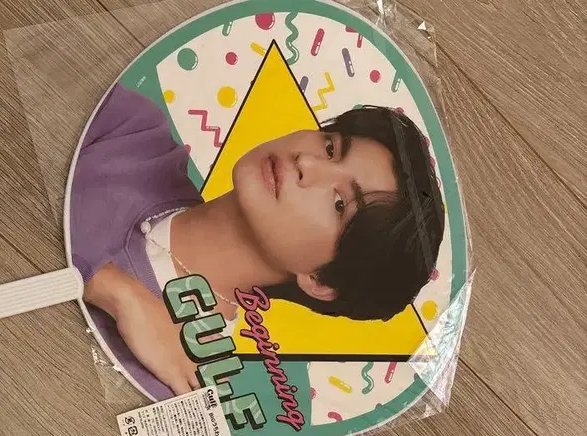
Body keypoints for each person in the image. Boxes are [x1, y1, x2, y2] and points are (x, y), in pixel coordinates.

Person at [70, 84, 445, 396]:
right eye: (331, 148)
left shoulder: (183, 377)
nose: (307, 163)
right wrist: (114, 290)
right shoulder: (132, 130)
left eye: (339, 203)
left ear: (320, 279)